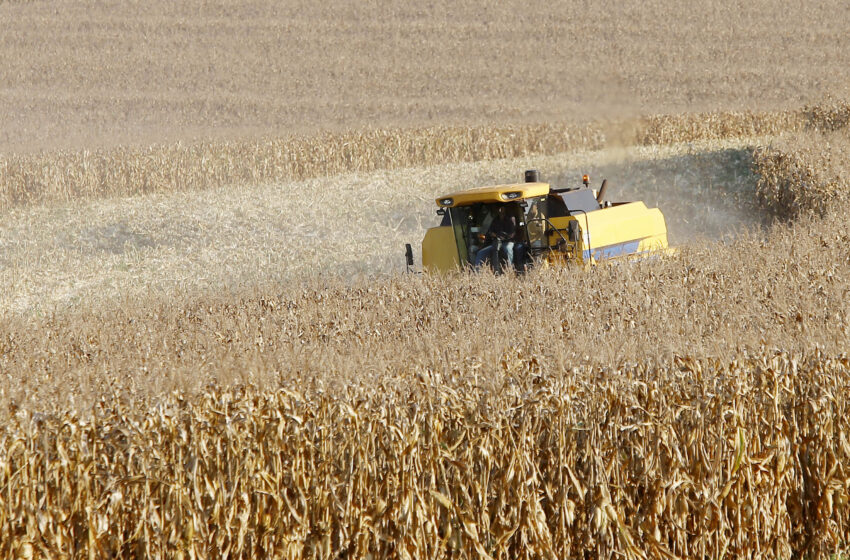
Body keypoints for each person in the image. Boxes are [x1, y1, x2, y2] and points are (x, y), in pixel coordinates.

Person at [474, 205, 516, 272]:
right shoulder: (495, 220)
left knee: (508, 249)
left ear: (504, 209)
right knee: (481, 253)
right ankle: (477, 272)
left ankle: (509, 269)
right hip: (496, 242)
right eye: (498, 208)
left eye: (501, 208)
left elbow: (513, 233)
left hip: (508, 242)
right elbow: (490, 231)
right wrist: (494, 235)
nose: (500, 210)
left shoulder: (511, 219)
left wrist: (506, 236)